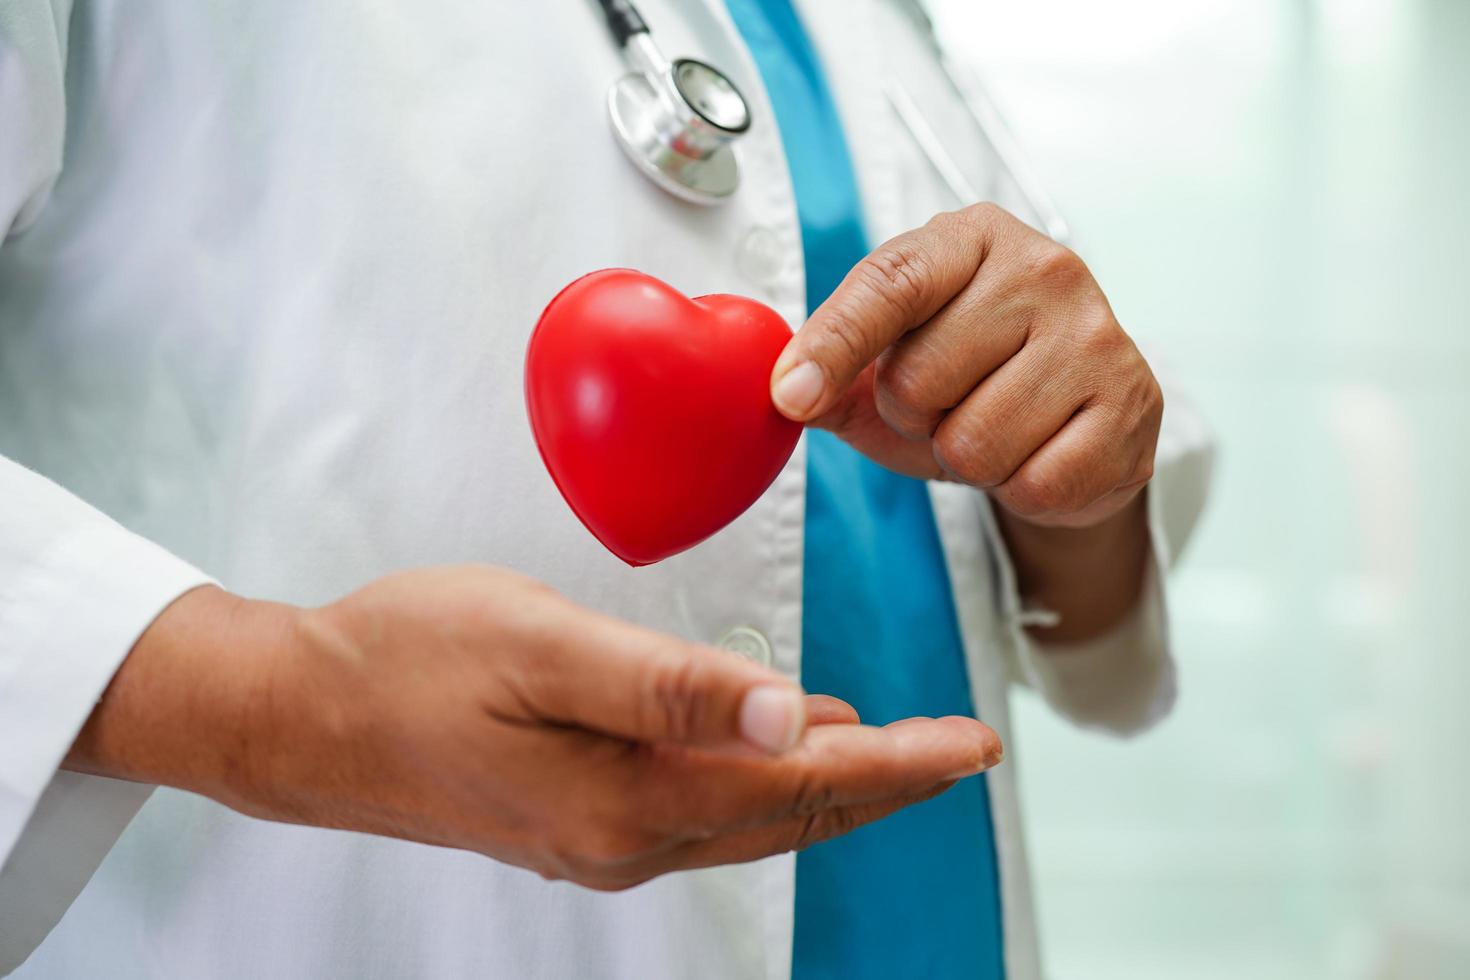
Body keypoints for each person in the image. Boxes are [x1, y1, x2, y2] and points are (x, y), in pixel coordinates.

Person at [0, 0, 1212, 977]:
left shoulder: (885, 25)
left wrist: (1076, 473)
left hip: (928, 905)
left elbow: (1088, 629)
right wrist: (276, 705)